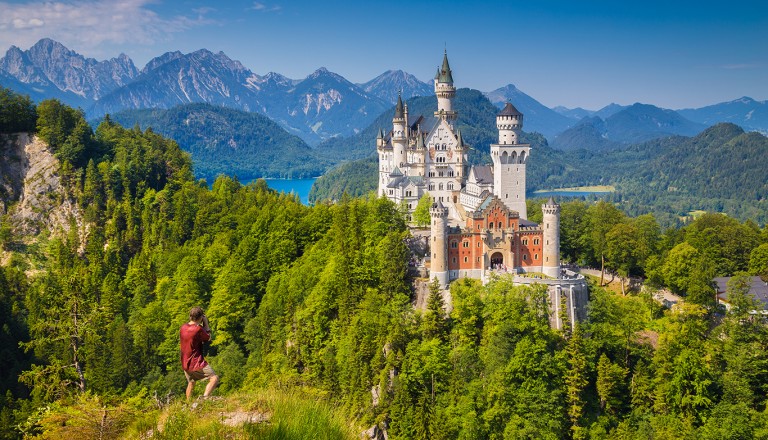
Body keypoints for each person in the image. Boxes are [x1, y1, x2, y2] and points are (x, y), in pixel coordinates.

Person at [180, 306, 219, 400]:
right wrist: (206, 323)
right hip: (196, 362)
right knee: (214, 378)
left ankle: (188, 403)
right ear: (201, 317)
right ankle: (204, 399)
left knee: (191, 382)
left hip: (185, 362)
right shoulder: (198, 329)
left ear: (190, 316)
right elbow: (208, 337)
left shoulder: (183, 327)